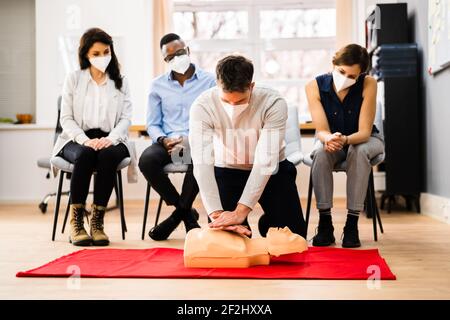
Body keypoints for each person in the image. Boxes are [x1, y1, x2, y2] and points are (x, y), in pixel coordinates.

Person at [189, 55, 307, 239]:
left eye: (240, 101)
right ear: (217, 85)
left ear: (251, 86)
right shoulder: (202, 105)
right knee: (228, 242)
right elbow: (202, 163)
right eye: (227, 101)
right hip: (227, 169)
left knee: (293, 239)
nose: (233, 107)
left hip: (273, 171)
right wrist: (217, 215)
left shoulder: (273, 102)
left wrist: (241, 212)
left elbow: (265, 161)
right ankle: (245, 226)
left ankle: (268, 221)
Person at [51, 28, 135, 247]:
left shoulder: (121, 81)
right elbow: (66, 119)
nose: (102, 57)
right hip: (77, 138)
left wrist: (111, 138)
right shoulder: (74, 79)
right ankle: (77, 222)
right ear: (86, 55)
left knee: (108, 156)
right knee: (87, 154)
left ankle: (97, 222)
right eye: (96, 53)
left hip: (112, 139)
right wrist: (84, 140)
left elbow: (126, 118)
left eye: (105, 52)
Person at [305, 44, 385, 248]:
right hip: (333, 141)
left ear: (361, 74)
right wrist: (329, 138)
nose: (345, 78)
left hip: (365, 140)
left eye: (352, 76)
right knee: (321, 154)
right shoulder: (314, 86)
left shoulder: (369, 83)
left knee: (358, 152)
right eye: (341, 72)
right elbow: (321, 130)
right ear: (334, 64)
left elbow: (365, 132)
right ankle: (325, 225)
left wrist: (345, 140)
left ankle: (352, 224)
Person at [139, 33, 216, 241]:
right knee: (146, 160)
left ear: (188, 51)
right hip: (168, 142)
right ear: (165, 60)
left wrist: (189, 141)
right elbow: (153, 124)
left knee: (203, 157)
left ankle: (177, 216)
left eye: (180, 52)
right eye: (170, 57)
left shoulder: (210, 81)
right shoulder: (157, 85)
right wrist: (164, 140)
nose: (176, 58)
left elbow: (215, 120)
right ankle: (186, 213)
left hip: (198, 142)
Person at [184, 227, 308, 268]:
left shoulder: (240, 250)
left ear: (278, 252)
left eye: (291, 237)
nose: (286, 228)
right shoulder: (242, 241)